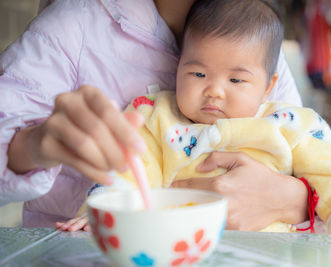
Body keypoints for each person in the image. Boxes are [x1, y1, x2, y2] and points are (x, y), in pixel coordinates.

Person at [60, 0, 331, 259]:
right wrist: (108, 210)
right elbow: (130, 169)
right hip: (182, 252)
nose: (214, 90)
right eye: (198, 74)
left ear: (269, 86)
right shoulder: (157, 117)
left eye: (235, 80)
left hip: (272, 254)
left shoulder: (290, 124)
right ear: (178, 65)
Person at [1, 0, 308, 236]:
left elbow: (310, 153)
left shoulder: (255, 36)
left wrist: (293, 198)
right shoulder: (73, 24)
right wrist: (34, 145)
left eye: (236, 80)